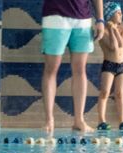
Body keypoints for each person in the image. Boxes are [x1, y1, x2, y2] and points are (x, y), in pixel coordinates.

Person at [41, 0, 105, 134]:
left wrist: (100, 19)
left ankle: (79, 120)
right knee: (51, 69)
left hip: (83, 19)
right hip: (55, 17)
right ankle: (49, 120)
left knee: (80, 70)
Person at [97, 2, 123, 130]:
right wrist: (110, 30)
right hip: (109, 66)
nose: (121, 14)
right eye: (118, 12)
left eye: (121, 12)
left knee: (120, 93)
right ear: (110, 15)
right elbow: (113, 47)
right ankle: (101, 121)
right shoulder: (102, 31)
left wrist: (114, 29)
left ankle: (122, 122)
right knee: (104, 92)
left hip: (122, 66)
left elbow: (121, 44)